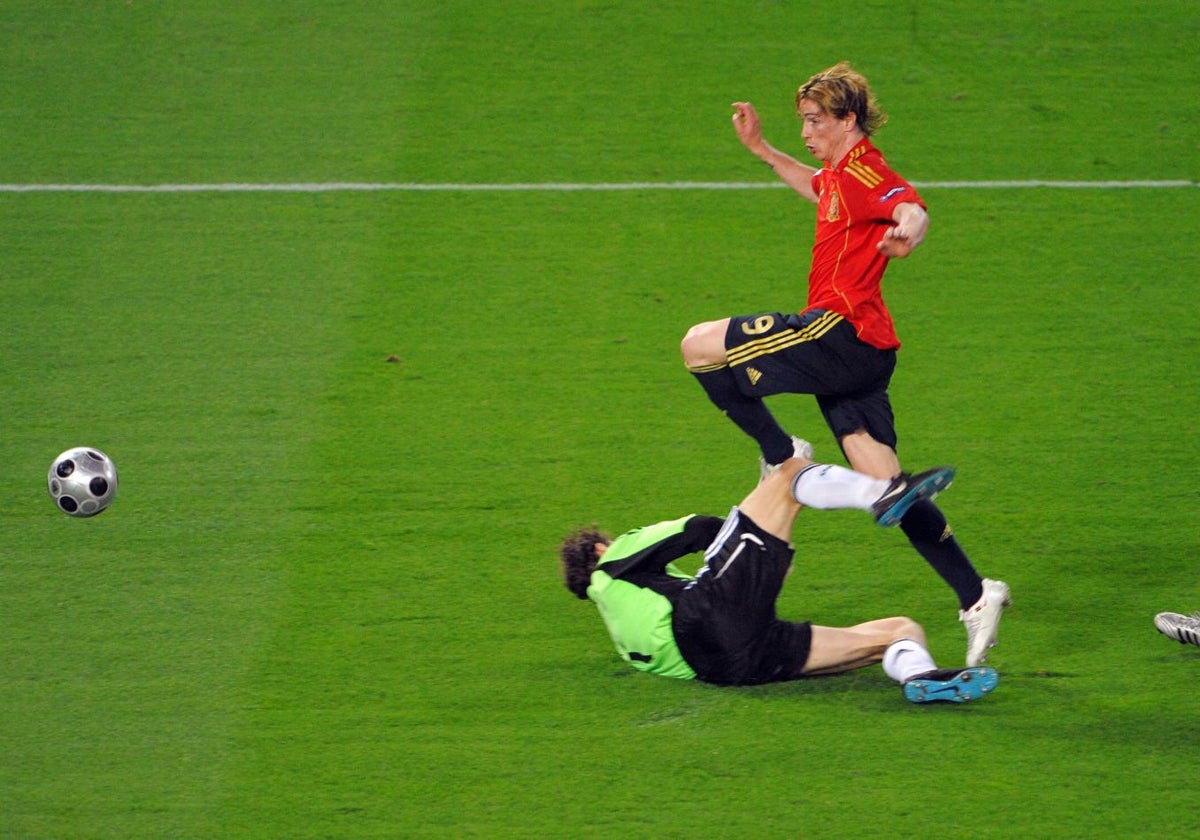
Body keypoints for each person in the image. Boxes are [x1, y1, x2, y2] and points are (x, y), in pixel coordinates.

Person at [678, 61, 1009, 667]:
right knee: (890, 488)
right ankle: (976, 593)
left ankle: (781, 455)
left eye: (813, 122)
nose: (806, 133)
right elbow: (817, 187)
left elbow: (909, 206)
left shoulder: (866, 170)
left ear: (847, 119)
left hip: (837, 334)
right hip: (868, 355)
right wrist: (763, 149)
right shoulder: (838, 174)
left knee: (699, 347)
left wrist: (909, 233)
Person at [559, 452, 999, 703]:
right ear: (598, 548)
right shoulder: (613, 561)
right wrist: (752, 524)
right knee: (788, 473)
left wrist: (754, 569)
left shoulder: (621, 631)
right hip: (709, 619)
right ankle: (884, 495)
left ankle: (919, 677)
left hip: (732, 667)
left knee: (900, 632)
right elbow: (696, 530)